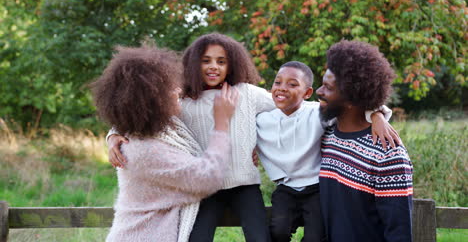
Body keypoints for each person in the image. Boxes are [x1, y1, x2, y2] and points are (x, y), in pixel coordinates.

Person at [108, 33, 274, 242]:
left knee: (260, 238)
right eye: (206, 61)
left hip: (245, 185)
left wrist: (261, 145)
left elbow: (286, 110)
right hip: (204, 189)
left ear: (233, 65)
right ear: (193, 64)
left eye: (221, 61)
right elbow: (140, 113)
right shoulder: (182, 101)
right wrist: (113, 134)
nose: (214, 66)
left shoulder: (248, 93)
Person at [90, 44, 239, 242]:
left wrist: (113, 134)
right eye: (169, 88)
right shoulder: (147, 150)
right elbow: (208, 178)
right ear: (153, 100)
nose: (178, 89)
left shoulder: (151, 129)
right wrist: (222, 124)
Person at [256, 61, 400, 242]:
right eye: (278, 82)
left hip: (317, 189)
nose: (282, 88)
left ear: (307, 93)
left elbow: (350, 106)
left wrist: (377, 115)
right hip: (285, 188)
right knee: (278, 231)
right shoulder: (262, 119)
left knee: (315, 238)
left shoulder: (317, 113)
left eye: (292, 84)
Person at [317, 40, 413, 242]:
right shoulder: (327, 137)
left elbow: (399, 232)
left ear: (351, 100)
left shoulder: (388, 153)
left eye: (327, 87)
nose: (319, 91)